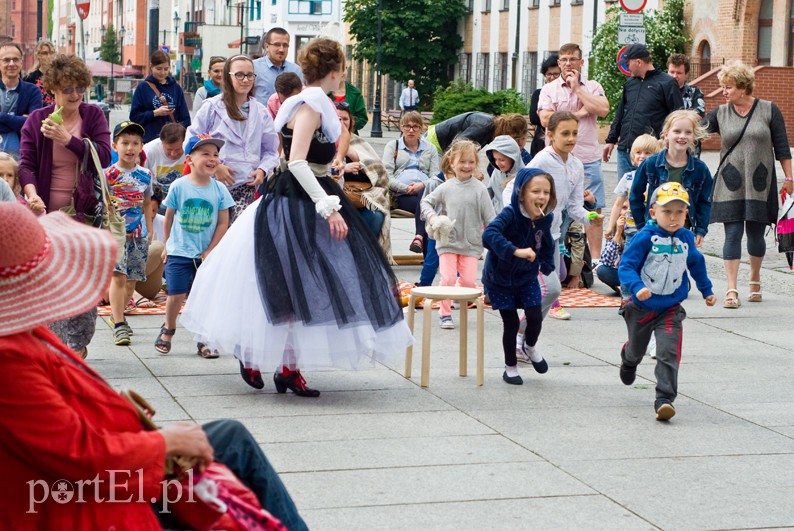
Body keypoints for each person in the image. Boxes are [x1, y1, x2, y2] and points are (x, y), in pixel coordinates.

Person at [0, 203, 308, 530]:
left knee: (231, 438)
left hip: (103, 476)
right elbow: (80, 455)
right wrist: (167, 444)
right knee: (230, 448)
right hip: (78, 501)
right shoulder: (9, 359)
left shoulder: (22, 332)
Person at [180, 38, 412, 396]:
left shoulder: (312, 104)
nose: (343, 77)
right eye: (343, 71)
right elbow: (298, 161)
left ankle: (288, 366)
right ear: (335, 73)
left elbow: (300, 157)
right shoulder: (310, 106)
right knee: (286, 281)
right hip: (297, 200)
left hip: (310, 193)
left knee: (305, 283)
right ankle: (255, 354)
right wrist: (328, 206)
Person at [18, 54, 111, 357]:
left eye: (79, 88)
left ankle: (78, 342)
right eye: (68, 89)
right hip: (47, 216)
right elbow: (27, 165)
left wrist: (67, 139)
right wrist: (32, 194)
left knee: (81, 283)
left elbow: (105, 156)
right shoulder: (37, 120)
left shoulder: (93, 115)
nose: (74, 95)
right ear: (52, 90)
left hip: (83, 217)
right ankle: (61, 347)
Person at [618, 182, 716, 421]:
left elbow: (696, 263)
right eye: (667, 211)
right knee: (637, 350)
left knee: (667, 352)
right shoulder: (644, 238)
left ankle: (664, 399)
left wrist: (706, 290)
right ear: (653, 213)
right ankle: (628, 358)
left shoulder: (685, 238)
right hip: (641, 307)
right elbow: (626, 266)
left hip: (671, 308)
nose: (673, 218)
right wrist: (637, 287)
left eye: (679, 212)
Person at [702, 61, 793, 308]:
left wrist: (789, 178)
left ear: (743, 87)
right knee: (732, 234)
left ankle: (754, 279)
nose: (724, 91)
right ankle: (731, 288)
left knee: (755, 234)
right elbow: (698, 131)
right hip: (730, 181)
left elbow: (782, 148)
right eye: (723, 87)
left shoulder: (769, 110)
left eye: (728, 87)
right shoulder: (720, 113)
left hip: (760, 182)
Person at [507, 111, 591, 324]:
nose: (571, 138)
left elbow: (574, 207)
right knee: (551, 289)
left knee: (549, 292)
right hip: (531, 235)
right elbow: (513, 189)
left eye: (574, 133)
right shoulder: (542, 160)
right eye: (565, 133)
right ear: (550, 135)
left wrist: (591, 218)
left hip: (551, 236)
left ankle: (525, 339)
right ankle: (520, 333)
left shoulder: (576, 166)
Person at [156, 134, 234, 358]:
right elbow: (169, 217)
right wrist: (167, 244)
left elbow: (223, 223)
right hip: (179, 251)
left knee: (203, 297)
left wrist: (211, 250)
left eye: (216, 155)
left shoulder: (219, 190)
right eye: (206, 154)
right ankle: (168, 329)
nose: (212, 159)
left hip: (205, 255)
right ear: (189, 159)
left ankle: (204, 339)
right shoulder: (179, 186)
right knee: (175, 295)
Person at [539, 43, 610, 264]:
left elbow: (603, 108)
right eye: (564, 59)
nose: (568, 63)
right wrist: (579, 113)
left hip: (587, 158)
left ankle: (596, 260)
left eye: (573, 59)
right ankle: (555, 256)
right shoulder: (549, 90)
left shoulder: (592, 86)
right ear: (558, 63)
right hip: (556, 160)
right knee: (554, 208)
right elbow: (545, 119)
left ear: (581, 62)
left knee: (592, 210)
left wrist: (578, 90)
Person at [482, 168, 554, 385]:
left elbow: (547, 242)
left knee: (534, 314)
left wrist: (547, 264)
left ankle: (530, 346)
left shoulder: (544, 218)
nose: (541, 197)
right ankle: (510, 367)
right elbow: (489, 234)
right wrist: (515, 250)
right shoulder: (510, 214)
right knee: (511, 322)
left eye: (546, 192)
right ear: (522, 193)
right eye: (536, 191)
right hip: (499, 279)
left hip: (526, 277)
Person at [187, 55, 280, 223]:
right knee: (212, 237)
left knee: (238, 237)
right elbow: (192, 141)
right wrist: (216, 166)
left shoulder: (261, 112)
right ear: (228, 76)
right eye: (239, 75)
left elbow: (271, 150)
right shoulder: (211, 107)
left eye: (250, 75)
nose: (245, 80)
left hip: (247, 186)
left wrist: (263, 170)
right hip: (212, 184)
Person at [420, 139, 496, 329]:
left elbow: (490, 218)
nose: (466, 166)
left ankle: (458, 298)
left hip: (471, 244)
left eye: (471, 162)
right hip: (447, 241)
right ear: (452, 162)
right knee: (447, 278)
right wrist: (432, 218)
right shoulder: (446, 187)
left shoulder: (480, 189)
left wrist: (495, 239)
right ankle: (445, 313)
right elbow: (426, 202)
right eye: (462, 161)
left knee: (470, 281)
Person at [630, 110, 713, 248]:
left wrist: (701, 230)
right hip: (654, 230)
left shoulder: (700, 168)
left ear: (694, 136)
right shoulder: (651, 163)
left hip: (683, 230)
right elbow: (635, 195)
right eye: (677, 131)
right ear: (666, 134)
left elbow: (705, 202)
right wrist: (641, 226)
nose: (682, 136)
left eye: (688, 132)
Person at [603, 44, 684, 181]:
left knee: (650, 194)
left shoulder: (667, 83)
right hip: (626, 151)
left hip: (651, 152)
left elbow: (678, 116)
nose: (626, 68)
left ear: (638, 62)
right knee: (625, 196)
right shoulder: (630, 83)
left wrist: (670, 144)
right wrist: (611, 140)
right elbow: (621, 113)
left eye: (628, 64)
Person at [105, 121, 153, 346]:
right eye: (124, 142)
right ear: (115, 145)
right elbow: (102, 204)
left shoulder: (145, 174)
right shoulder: (109, 174)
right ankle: (118, 324)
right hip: (115, 234)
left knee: (132, 282)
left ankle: (120, 316)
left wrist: (150, 229)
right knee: (118, 276)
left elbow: (146, 203)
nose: (130, 148)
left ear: (142, 146)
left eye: (135, 143)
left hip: (138, 234)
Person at [335, 101, 394, 256]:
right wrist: (343, 167)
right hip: (336, 198)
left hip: (362, 197)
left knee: (375, 216)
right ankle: (349, 256)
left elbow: (379, 172)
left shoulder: (358, 142)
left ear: (351, 121)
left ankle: (364, 255)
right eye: (337, 118)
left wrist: (354, 155)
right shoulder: (323, 142)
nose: (341, 122)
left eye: (345, 119)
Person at [383, 111, 441, 253]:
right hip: (401, 195)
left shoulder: (430, 148)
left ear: (421, 129)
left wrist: (422, 185)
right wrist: (405, 188)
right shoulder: (393, 146)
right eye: (407, 126)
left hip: (424, 192)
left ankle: (418, 238)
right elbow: (386, 176)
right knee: (427, 207)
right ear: (401, 127)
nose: (411, 130)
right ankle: (426, 253)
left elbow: (435, 176)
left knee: (424, 199)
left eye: (415, 127)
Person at [605, 134, 659, 245]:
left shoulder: (659, 179)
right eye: (638, 153)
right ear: (633, 156)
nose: (642, 156)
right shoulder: (628, 178)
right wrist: (611, 226)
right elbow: (618, 204)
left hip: (654, 230)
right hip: (632, 229)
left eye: (648, 153)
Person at [130, 50, 191, 143]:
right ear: (151, 67)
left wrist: (179, 133)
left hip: (172, 142)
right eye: (159, 69)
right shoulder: (143, 88)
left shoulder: (176, 87)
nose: (162, 72)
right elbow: (134, 117)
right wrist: (155, 113)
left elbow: (185, 119)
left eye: (166, 69)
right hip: (149, 140)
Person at [0, 42, 43, 157]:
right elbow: (26, 122)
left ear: (21, 62)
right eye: (6, 60)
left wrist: (2, 117)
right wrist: (19, 120)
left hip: (23, 159)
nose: (11, 64)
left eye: (15, 59)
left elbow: (34, 123)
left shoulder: (33, 91)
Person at [668, 53, 706, 158]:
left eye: (679, 73)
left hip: (690, 148)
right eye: (672, 72)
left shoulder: (695, 92)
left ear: (686, 74)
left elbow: (699, 115)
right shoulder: (660, 92)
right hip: (665, 146)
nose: (674, 76)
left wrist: (672, 117)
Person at [253, 27, 304, 105]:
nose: (281, 49)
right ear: (267, 46)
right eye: (277, 44)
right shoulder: (254, 68)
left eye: (285, 45)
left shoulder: (296, 70)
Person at [143, 122, 187, 211]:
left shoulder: (190, 149)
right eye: (169, 149)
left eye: (178, 149)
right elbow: (142, 179)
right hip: (156, 195)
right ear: (162, 143)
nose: (173, 154)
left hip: (182, 195)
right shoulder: (149, 150)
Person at [484, 134, 525, 213]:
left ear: (513, 158)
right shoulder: (497, 171)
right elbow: (490, 191)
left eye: (502, 160)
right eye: (495, 159)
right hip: (496, 215)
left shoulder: (523, 175)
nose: (498, 163)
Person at [529, 54, 560, 157]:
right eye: (548, 74)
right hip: (540, 140)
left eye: (556, 74)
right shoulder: (539, 93)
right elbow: (534, 118)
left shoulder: (566, 94)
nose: (552, 77)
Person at [597, 197, 629, 293]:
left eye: (630, 208)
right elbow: (606, 261)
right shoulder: (615, 227)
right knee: (602, 271)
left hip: (644, 274)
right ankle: (624, 287)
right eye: (624, 208)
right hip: (624, 272)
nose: (627, 212)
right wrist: (618, 233)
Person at [23, 39, 56, 106]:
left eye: (51, 53)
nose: (49, 56)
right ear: (38, 55)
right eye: (45, 53)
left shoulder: (59, 76)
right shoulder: (29, 79)